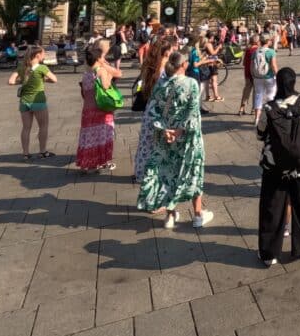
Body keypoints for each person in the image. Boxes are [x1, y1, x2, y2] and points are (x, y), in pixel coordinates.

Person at [138, 51, 212, 229]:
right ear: (184, 65)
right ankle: (198, 215)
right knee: (192, 169)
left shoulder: (160, 84)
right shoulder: (191, 83)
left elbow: (153, 110)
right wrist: (178, 131)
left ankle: (170, 215)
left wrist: (165, 130)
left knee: (168, 173)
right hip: (187, 137)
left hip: (165, 137)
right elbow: (193, 111)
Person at [256, 68, 300, 266]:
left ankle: (269, 253)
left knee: (272, 206)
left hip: (275, 164)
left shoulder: (269, 108)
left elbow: (260, 134)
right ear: (294, 83)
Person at [134, 38, 176, 183]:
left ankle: (142, 172)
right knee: (157, 144)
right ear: (166, 53)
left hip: (149, 109)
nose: (173, 51)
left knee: (146, 143)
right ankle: (152, 174)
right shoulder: (164, 70)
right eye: (171, 49)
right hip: (159, 110)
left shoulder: (150, 66)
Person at [76, 44, 122, 174]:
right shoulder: (100, 71)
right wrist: (110, 75)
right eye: (102, 57)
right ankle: (102, 162)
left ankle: (89, 164)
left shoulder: (86, 74)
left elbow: (85, 93)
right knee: (102, 135)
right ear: (98, 59)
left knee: (89, 137)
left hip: (87, 110)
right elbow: (106, 86)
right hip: (100, 110)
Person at [8, 46, 58, 160]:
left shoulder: (22, 68)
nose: (44, 56)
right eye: (43, 54)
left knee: (26, 128)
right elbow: (54, 79)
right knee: (43, 126)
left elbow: (11, 81)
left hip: (24, 102)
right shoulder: (42, 68)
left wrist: (22, 81)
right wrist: (44, 80)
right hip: (38, 101)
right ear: (37, 55)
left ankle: (25, 153)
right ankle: (42, 151)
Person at [252, 35, 279, 123]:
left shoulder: (255, 52)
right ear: (267, 41)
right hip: (269, 76)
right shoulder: (271, 52)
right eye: (270, 40)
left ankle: (257, 118)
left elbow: (251, 66)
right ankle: (271, 117)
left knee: (258, 96)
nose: (271, 41)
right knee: (271, 96)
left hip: (257, 77)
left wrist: (254, 76)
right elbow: (274, 66)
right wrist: (278, 76)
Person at [239, 34, 261, 116]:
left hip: (247, 73)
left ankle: (242, 108)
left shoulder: (248, 50)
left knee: (246, 90)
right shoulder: (258, 50)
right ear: (257, 41)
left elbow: (244, 63)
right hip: (255, 73)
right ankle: (253, 109)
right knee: (256, 91)